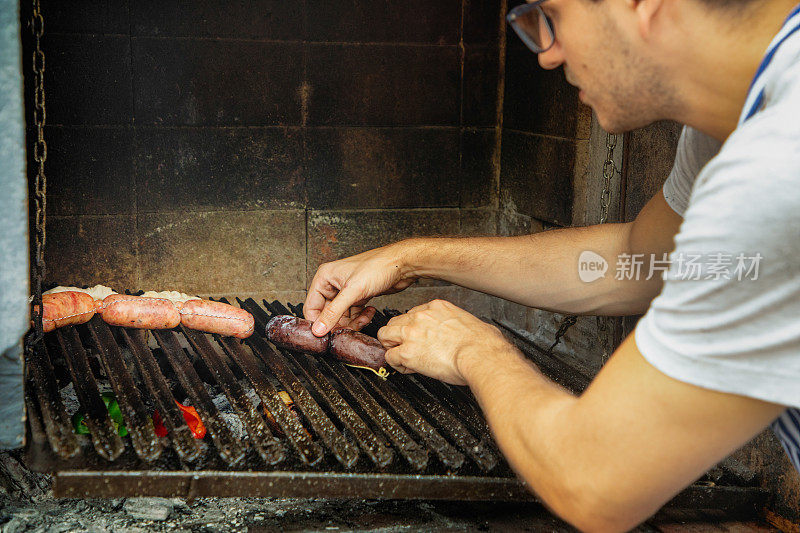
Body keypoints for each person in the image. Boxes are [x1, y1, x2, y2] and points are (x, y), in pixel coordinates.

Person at [304, 0, 800, 530]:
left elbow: (595, 480)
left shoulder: (777, 163)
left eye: (553, 16)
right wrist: (411, 259)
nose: (547, 53)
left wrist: (475, 348)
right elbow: (640, 262)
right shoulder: (734, 118)